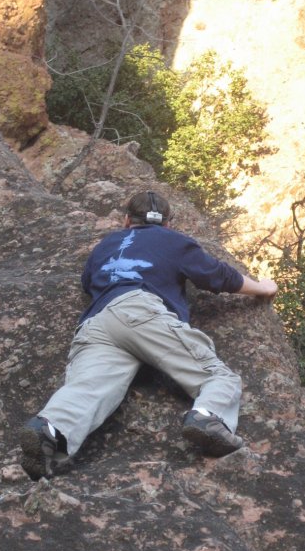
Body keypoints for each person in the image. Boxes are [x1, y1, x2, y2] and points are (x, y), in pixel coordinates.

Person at [20, 190, 277, 480]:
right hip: (140, 312)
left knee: (89, 388)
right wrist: (261, 287)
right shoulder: (174, 241)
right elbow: (216, 275)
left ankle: (50, 429)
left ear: (127, 220)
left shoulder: (105, 245)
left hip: (97, 323)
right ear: (168, 223)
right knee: (217, 376)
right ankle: (209, 417)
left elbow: (88, 282)